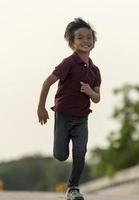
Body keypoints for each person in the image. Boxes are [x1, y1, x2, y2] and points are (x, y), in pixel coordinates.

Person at [37, 18, 101, 200]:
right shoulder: (69, 63)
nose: (85, 41)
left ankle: (73, 188)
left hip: (82, 119)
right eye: (80, 38)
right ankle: (60, 150)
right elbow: (47, 82)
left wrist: (89, 92)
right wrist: (41, 107)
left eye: (89, 37)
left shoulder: (95, 71)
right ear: (72, 43)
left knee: (80, 153)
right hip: (63, 115)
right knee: (61, 155)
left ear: (94, 43)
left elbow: (97, 98)